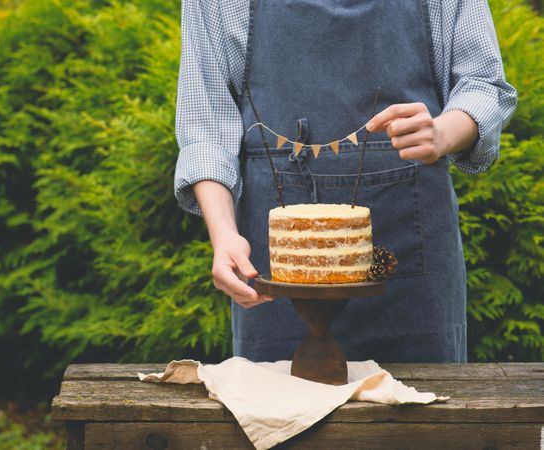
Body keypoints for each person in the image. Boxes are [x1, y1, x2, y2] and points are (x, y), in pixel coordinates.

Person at [174, 0, 517, 363]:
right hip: (276, 274)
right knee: (281, 412)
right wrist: (224, 234)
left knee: (419, 414)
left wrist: (442, 133)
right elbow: (206, 124)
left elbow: (484, 84)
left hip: (412, 256)